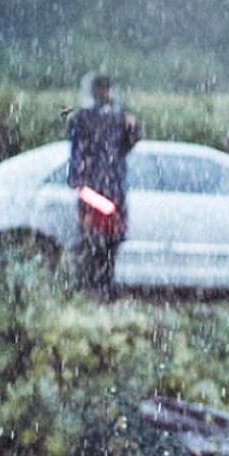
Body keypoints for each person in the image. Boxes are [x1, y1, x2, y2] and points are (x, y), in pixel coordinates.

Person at [64, 73, 140, 297]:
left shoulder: (118, 119)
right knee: (94, 246)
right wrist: (80, 180)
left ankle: (101, 288)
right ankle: (93, 289)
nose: (106, 94)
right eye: (103, 89)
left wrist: (132, 127)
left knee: (109, 245)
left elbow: (129, 143)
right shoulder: (85, 118)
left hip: (112, 191)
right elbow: (77, 151)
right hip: (97, 191)